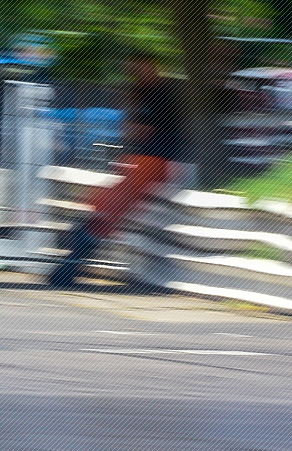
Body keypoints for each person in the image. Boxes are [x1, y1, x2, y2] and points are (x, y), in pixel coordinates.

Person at [47, 52, 187, 288]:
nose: (135, 74)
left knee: (109, 209)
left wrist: (132, 119)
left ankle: (74, 252)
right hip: (142, 160)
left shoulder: (163, 94)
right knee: (105, 206)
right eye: (132, 71)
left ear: (151, 66)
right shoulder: (141, 92)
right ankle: (76, 249)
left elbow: (139, 131)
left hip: (155, 160)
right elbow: (130, 130)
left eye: (138, 69)